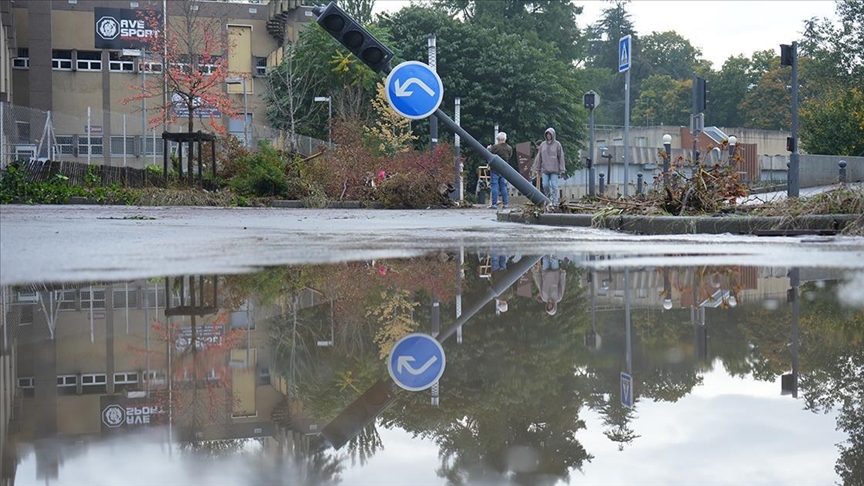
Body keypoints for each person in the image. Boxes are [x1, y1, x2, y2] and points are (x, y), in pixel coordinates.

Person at [531, 127, 566, 205]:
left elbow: (561, 157)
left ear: (553, 135)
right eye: (547, 134)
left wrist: (562, 168)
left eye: (550, 134)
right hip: (545, 169)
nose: (548, 136)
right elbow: (539, 157)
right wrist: (538, 168)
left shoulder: (557, 144)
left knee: (554, 186)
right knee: (545, 185)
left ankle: (555, 201)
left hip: (554, 169)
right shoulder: (543, 145)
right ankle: (548, 198)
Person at [486, 132, 513, 209]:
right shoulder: (509, 148)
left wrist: (488, 148)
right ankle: (506, 204)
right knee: (503, 186)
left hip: (495, 169)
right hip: (504, 169)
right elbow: (510, 156)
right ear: (505, 139)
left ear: (498, 139)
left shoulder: (495, 147)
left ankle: (494, 204)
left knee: (494, 186)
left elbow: (488, 154)